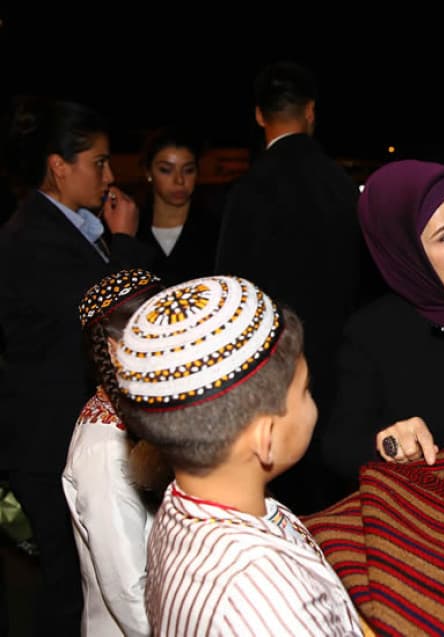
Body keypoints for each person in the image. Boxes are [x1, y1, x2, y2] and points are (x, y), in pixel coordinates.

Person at [112, 275, 364, 635]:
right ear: (266, 438)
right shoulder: (272, 604)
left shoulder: (184, 502)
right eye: (305, 390)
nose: (313, 400)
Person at [0, 96, 152, 636]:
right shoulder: (34, 238)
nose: (110, 175)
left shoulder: (76, 227)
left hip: (67, 434)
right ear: (58, 166)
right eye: (99, 162)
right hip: (48, 443)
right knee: (69, 590)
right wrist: (129, 239)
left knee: (84, 586)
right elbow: (121, 321)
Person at [215, 61, 363, 513]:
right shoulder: (342, 186)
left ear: (260, 116)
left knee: (286, 509)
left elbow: (231, 293)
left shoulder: (246, 192)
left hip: (274, 383)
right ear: (311, 112)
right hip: (343, 375)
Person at [321, 160, 444, 495]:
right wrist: (389, 445)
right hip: (431, 531)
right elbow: (339, 447)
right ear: (403, 248)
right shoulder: (371, 334)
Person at [63, 267, 167, 636]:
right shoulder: (105, 447)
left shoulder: (145, 416)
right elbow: (127, 590)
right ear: (111, 347)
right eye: (154, 336)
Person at [136, 125, 220, 285]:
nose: (179, 180)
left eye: (188, 170)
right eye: (166, 170)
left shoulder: (216, 228)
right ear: (148, 172)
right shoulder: (131, 229)